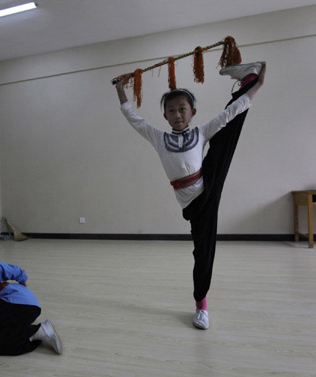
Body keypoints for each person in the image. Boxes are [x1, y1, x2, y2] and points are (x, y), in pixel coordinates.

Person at [115, 61, 266, 330]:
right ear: (165, 116)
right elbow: (133, 118)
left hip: (207, 187)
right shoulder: (158, 137)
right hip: (191, 202)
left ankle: (201, 307)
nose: (177, 114)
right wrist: (120, 89)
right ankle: (249, 80)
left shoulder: (200, 132)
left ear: (192, 111)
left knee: (226, 130)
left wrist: (256, 89)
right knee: (200, 250)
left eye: (182, 109)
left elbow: (230, 113)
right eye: (171, 111)